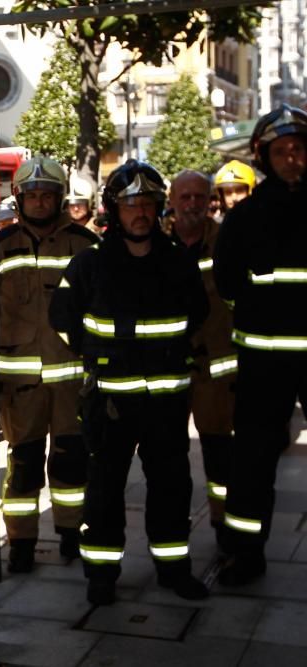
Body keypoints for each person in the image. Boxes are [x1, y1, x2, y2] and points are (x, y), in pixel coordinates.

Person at [49, 159, 210, 606]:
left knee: (173, 488)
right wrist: (95, 354)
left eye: (148, 204)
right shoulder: (89, 265)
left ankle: (174, 568)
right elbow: (61, 319)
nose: (140, 212)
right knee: (102, 492)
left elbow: (198, 313)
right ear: (113, 210)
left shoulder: (178, 262)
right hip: (109, 403)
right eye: (130, 204)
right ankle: (101, 576)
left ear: (160, 209)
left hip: (166, 401)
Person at [214, 104, 307, 586]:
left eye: (298, 150)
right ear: (264, 157)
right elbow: (226, 282)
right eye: (281, 152)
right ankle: (246, 555)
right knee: (252, 462)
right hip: (264, 362)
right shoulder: (244, 218)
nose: (291, 159)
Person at [0, 156, 97, 573]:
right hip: (18, 382)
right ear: (19, 198)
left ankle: (71, 534)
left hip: (72, 375)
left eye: (47, 195)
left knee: (71, 460)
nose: (39, 202)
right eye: (31, 195)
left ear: (60, 198)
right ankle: (20, 542)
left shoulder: (85, 244)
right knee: (23, 464)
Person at [166, 170, 235, 545]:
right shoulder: (157, 244)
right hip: (168, 370)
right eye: (185, 196)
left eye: (199, 197)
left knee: (219, 454)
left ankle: (225, 530)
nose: (192, 203)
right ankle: (174, 536)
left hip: (216, 371)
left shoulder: (227, 242)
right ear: (172, 200)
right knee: (171, 459)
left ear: (210, 201)